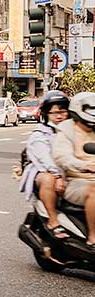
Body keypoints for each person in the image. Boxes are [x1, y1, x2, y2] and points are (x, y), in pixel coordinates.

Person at [18, 91, 70, 237]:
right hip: (44, 172)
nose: (59, 116)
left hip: (71, 171)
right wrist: (58, 175)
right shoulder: (40, 134)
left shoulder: (74, 131)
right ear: (46, 114)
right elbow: (45, 160)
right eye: (55, 113)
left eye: (63, 111)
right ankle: (53, 221)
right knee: (48, 179)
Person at [51, 91, 95, 245]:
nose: (91, 126)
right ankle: (93, 237)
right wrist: (85, 166)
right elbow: (62, 156)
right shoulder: (66, 131)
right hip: (76, 181)